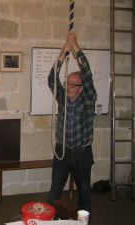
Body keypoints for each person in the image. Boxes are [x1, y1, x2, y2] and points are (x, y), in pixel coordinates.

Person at [47, 32, 97, 221]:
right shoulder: (63, 99)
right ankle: (52, 222)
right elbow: (52, 78)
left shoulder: (88, 100)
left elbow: (87, 75)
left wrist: (76, 47)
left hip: (82, 153)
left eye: (73, 84)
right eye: (67, 83)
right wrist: (63, 53)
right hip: (62, 151)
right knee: (55, 191)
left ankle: (84, 223)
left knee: (84, 192)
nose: (68, 87)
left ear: (81, 87)